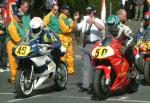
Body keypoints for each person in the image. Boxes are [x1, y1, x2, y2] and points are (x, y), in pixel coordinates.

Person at [74, 5, 105, 92]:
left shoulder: (98, 20)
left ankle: (97, 84)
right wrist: (75, 19)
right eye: (87, 12)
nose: (88, 14)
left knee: (97, 66)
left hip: (95, 44)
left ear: (94, 12)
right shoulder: (84, 21)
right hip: (85, 45)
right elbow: (76, 28)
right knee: (86, 66)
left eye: (89, 12)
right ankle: (85, 85)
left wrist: (93, 22)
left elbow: (102, 28)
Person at [7, 10, 26, 84]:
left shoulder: (18, 23)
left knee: (19, 61)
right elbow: (16, 38)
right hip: (12, 44)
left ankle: (20, 76)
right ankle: (14, 78)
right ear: (14, 16)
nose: (20, 17)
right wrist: (23, 42)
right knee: (13, 61)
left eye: (21, 16)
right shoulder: (12, 25)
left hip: (20, 43)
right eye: (19, 16)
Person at [58, 5, 75, 75]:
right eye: (66, 9)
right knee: (62, 56)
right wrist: (69, 27)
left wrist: (69, 27)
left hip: (69, 38)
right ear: (62, 10)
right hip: (63, 39)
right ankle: (60, 70)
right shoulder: (61, 17)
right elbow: (65, 29)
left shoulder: (68, 17)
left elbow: (72, 26)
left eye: (68, 9)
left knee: (70, 55)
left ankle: (70, 70)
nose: (67, 10)